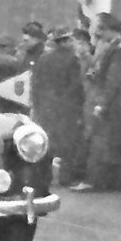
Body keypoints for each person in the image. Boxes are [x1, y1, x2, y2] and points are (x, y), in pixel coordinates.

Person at [73, 16, 121, 193]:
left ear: (103, 28)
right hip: (105, 101)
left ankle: (96, 180)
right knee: (103, 143)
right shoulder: (109, 48)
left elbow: (114, 80)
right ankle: (107, 181)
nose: (92, 31)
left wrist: (103, 103)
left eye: (94, 26)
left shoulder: (118, 51)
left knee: (101, 144)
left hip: (110, 104)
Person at [30, 27, 85, 187]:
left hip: (46, 107)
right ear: (65, 42)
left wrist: (37, 103)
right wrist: (78, 104)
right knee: (67, 145)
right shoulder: (72, 60)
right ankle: (65, 178)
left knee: (46, 143)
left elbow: (35, 83)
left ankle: (43, 177)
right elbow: (76, 85)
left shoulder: (43, 58)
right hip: (66, 108)